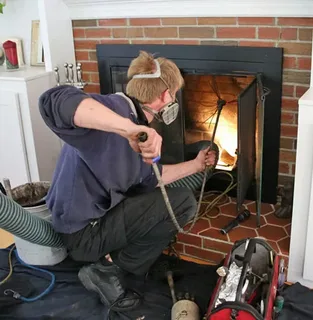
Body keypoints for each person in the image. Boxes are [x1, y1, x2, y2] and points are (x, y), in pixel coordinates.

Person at [39, 51, 217, 312]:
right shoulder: (114, 113)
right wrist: (129, 129)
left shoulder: (136, 124)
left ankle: (122, 260)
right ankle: (107, 270)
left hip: (97, 219)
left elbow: (153, 178)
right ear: (166, 95)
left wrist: (196, 165)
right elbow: (54, 100)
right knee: (182, 204)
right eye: (175, 94)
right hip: (83, 234)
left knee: (169, 201)